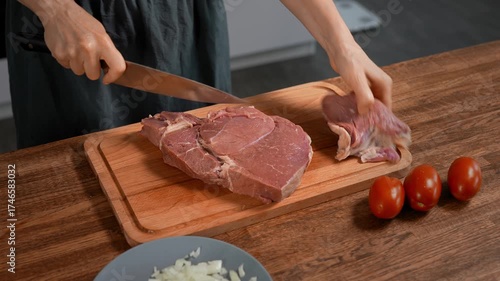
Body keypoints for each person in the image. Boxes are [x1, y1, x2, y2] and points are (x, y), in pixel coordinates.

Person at [6, 0, 392, 149]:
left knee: (207, 149)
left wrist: (343, 44)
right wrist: (54, 10)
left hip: (184, 18)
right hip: (75, 27)